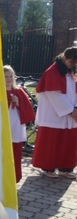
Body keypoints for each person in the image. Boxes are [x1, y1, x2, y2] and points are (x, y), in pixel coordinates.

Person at [32, 47, 77, 179]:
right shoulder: (52, 72)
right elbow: (53, 94)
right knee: (51, 142)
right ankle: (48, 167)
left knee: (67, 142)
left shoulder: (69, 72)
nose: (72, 64)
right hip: (54, 115)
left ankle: (65, 167)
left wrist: (75, 108)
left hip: (69, 114)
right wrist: (70, 111)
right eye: (71, 62)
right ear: (65, 57)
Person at [4, 65, 36, 183]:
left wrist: (18, 103)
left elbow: (28, 111)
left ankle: (13, 179)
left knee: (15, 154)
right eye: (5, 76)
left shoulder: (18, 91)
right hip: (2, 128)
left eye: (11, 76)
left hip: (15, 127)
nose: (8, 79)